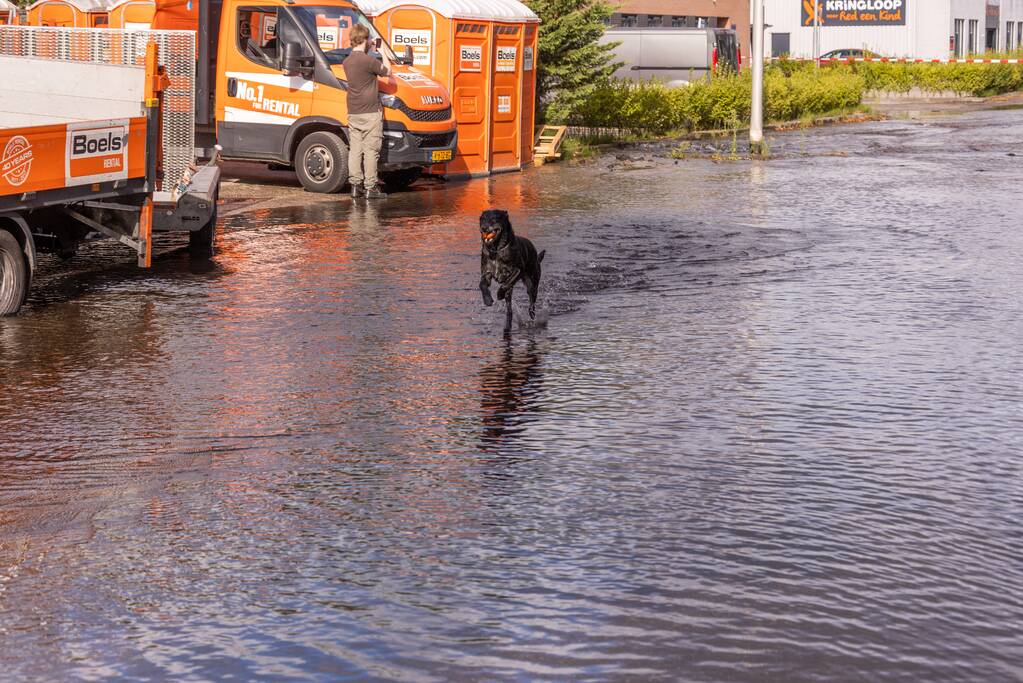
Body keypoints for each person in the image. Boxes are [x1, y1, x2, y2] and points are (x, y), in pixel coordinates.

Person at [342, 24, 391, 200]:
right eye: (369, 39)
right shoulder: (369, 61)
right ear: (364, 40)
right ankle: (371, 188)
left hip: (353, 111)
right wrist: (383, 51)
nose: (371, 42)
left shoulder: (346, 62)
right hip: (370, 112)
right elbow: (387, 71)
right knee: (371, 150)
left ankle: (355, 186)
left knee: (355, 149)